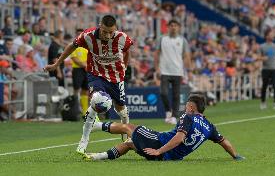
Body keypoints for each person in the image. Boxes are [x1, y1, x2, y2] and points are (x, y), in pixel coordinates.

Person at [43, 15, 134, 155]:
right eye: (105, 31)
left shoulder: (122, 38)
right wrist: (57, 64)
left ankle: (126, 129)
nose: (108, 35)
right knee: (97, 100)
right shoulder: (88, 35)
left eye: (111, 32)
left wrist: (125, 66)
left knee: (120, 108)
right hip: (96, 74)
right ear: (99, 26)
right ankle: (84, 139)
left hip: (116, 77)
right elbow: (71, 47)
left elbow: (127, 51)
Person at [84, 94, 245, 161]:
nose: (185, 108)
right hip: (171, 157)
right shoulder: (210, 127)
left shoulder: (188, 117)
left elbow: (179, 138)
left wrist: (159, 150)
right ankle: (96, 157)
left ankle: (95, 125)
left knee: (130, 128)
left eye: (186, 106)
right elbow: (225, 143)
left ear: (191, 108)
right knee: (129, 144)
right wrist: (235, 156)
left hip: (160, 146)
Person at [154, 19, 191, 124]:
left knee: (176, 95)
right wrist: (157, 68)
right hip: (164, 70)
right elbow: (156, 54)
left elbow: (187, 55)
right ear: (168, 27)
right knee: (163, 93)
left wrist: (188, 70)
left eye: (175, 25)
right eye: (171, 25)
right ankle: (167, 112)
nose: (173, 27)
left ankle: (174, 116)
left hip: (177, 71)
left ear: (178, 27)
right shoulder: (162, 39)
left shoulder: (183, 40)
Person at [258, 29, 275, 110]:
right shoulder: (262, 46)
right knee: (264, 86)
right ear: (267, 36)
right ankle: (263, 102)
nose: (273, 35)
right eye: (271, 34)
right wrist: (262, 58)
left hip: (274, 69)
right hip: (265, 69)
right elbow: (258, 57)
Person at [70, 29, 89, 116]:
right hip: (77, 69)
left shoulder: (87, 45)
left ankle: (84, 111)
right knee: (76, 89)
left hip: (86, 69)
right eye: (78, 34)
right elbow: (74, 58)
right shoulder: (74, 45)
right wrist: (84, 65)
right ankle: (74, 109)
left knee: (85, 90)